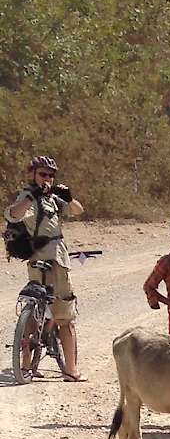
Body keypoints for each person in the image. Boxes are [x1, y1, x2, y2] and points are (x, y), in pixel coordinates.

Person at [7, 154, 84, 380]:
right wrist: (33, 196)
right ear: (32, 175)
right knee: (64, 315)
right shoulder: (28, 197)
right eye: (43, 174)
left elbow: (78, 211)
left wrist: (68, 198)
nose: (47, 179)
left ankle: (29, 365)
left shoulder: (53, 199)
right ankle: (71, 370)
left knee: (38, 311)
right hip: (49, 260)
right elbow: (14, 214)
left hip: (52, 258)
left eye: (51, 175)